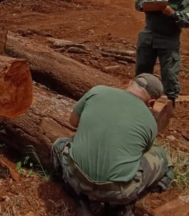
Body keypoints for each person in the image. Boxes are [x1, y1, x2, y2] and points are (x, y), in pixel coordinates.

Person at [52, 74, 174, 216]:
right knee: (165, 163)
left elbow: (73, 122)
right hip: (118, 192)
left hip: (76, 178)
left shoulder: (98, 91)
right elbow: (141, 153)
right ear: (151, 102)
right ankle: (121, 206)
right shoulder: (150, 122)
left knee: (60, 144)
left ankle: (78, 197)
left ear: (129, 83)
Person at [134, 0, 189, 105]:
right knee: (142, 68)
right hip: (149, 35)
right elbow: (138, 3)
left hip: (169, 39)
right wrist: (148, 5)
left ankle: (169, 101)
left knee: (169, 72)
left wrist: (173, 14)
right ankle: (138, 97)